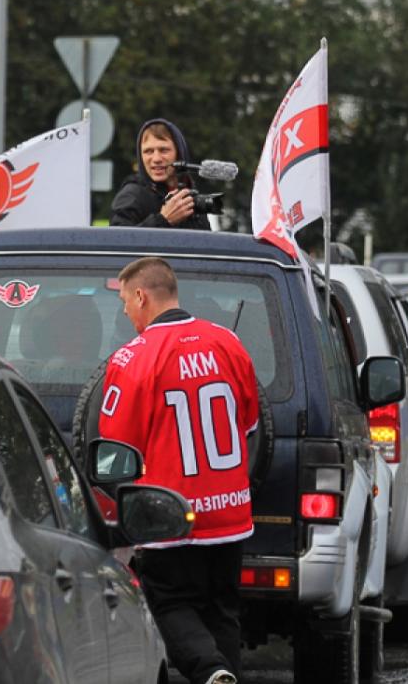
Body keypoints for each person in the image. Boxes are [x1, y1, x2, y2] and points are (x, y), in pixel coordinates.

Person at [98, 257, 259, 684]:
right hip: (230, 513)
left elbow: (118, 449)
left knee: (169, 604)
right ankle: (224, 675)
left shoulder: (133, 357)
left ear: (141, 296)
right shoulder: (228, 341)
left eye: (124, 302)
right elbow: (249, 425)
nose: (125, 312)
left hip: (169, 514)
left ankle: (211, 670)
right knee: (223, 611)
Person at [110, 118, 212, 230]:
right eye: (148, 151)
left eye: (164, 150)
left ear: (179, 154)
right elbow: (117, 239)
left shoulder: (190, 196)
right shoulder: (131, 196)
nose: (156, 159)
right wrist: (163, 220)